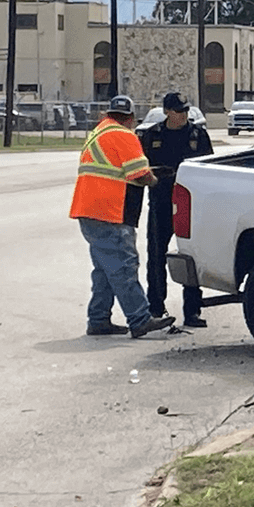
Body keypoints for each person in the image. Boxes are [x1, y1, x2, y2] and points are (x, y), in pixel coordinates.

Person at [69, 95, 175, 338]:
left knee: (105, 269)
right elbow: (140, 175)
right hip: (108, 211)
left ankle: (98, 320)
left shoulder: (98, 132)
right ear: (130, 118)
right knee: (124, 266)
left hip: (88, 210)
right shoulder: (124, 135)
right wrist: (157, 180)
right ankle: (139, 319)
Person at [138, 92, 213, 327]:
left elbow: (209, 169)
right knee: (156, 255)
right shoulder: (152, 136)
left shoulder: (197, 135)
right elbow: (140, 168)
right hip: (160, 201)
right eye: (178, 111)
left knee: (190, 255)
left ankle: (192, 311)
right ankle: (156, 308)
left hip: (189, 203)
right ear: (167, 112)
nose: (183, 115)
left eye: (185, 110)